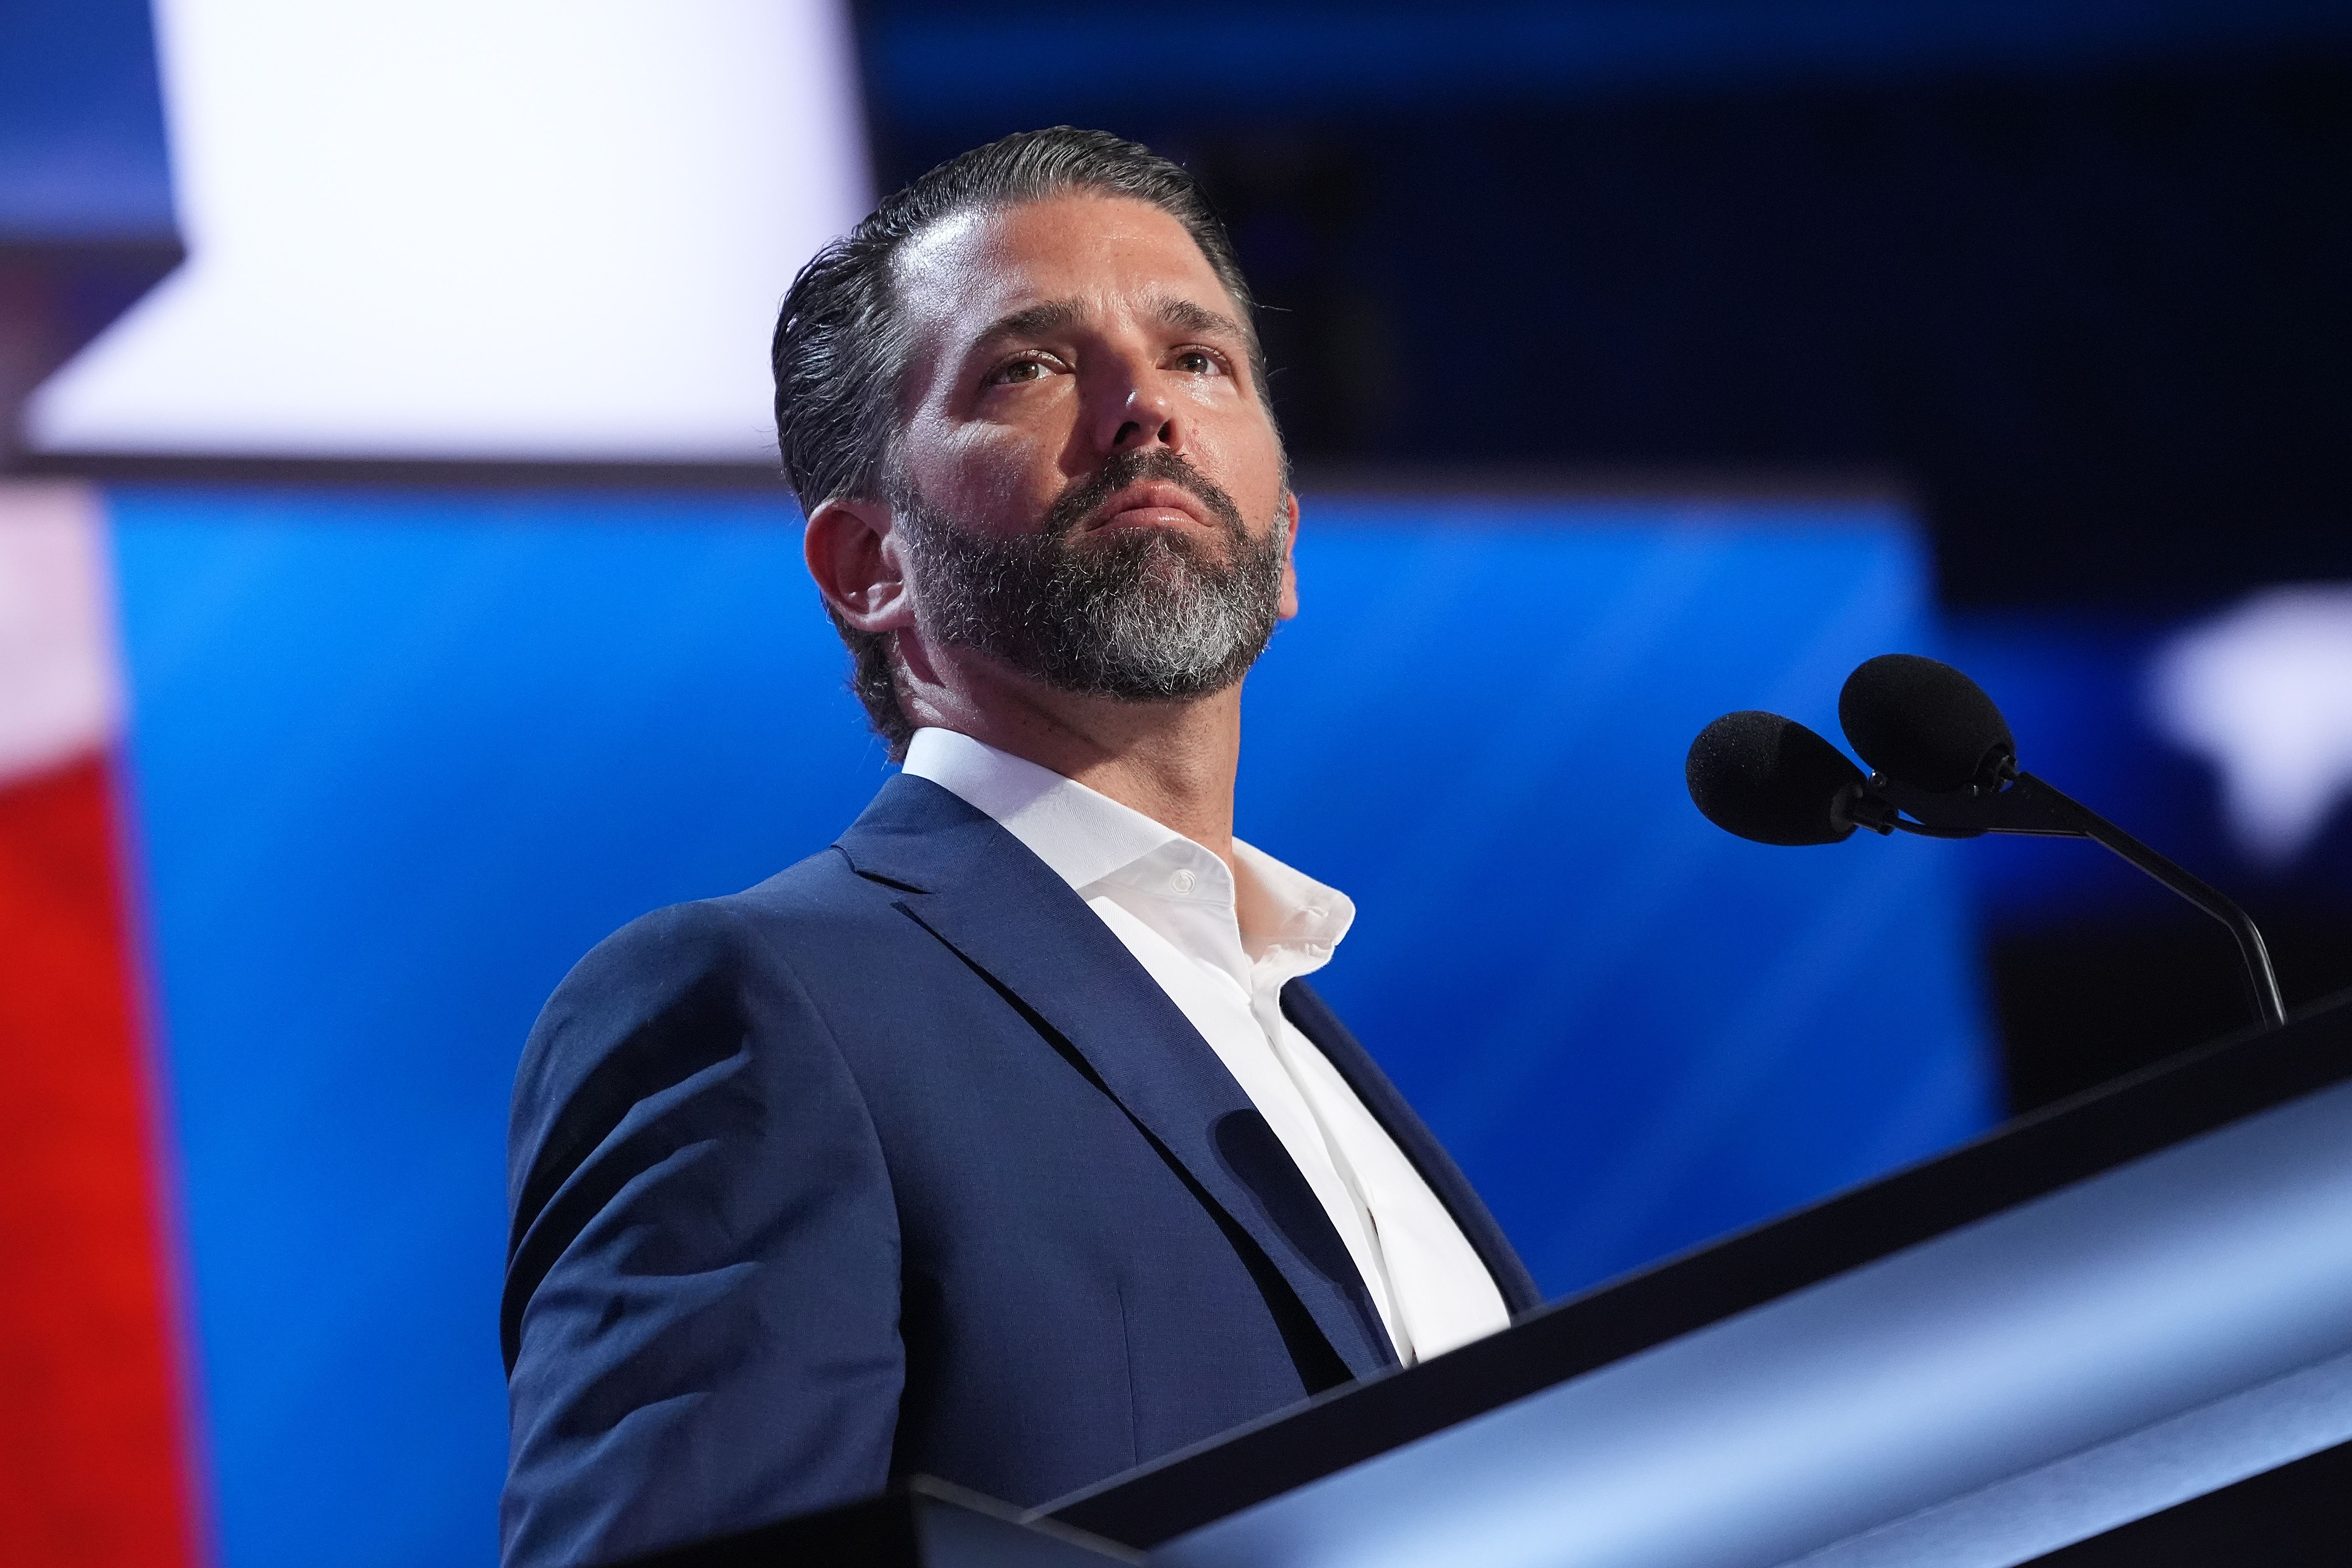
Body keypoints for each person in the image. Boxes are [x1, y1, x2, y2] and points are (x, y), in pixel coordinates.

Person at [499, 127, 1539, 1568]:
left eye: (1200, 359)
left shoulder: (1301, 1044)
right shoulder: (759, 1009)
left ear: (1288, 543)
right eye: (1030, 368)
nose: (1144, 411)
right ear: (871, 565)